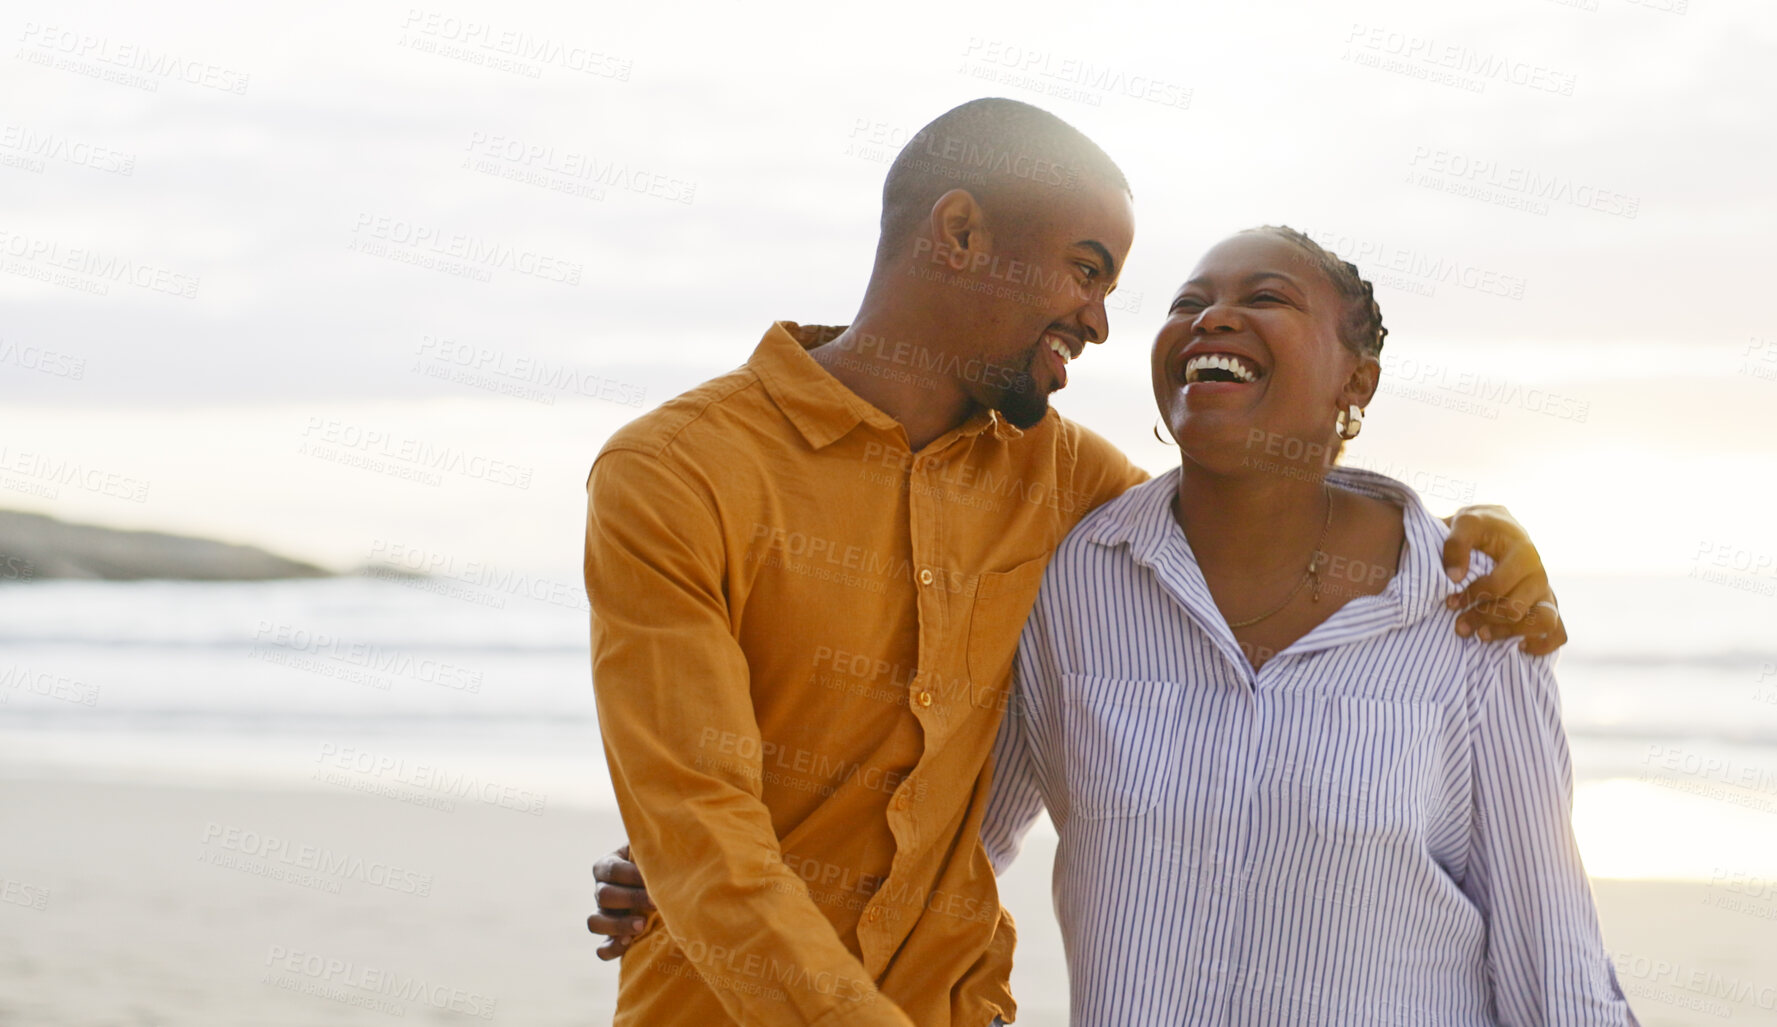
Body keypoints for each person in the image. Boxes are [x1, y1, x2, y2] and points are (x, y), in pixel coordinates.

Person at [584, 98, 1564, 1027]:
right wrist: (678, 858)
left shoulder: (1071, 484)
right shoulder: (676, 475)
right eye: (1085, 270)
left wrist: (1465, 535)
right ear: (959, 234)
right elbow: (706, 834)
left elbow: (1254, 512)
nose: (1099, 320)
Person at [974, 226, 1637, 1025]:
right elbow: (954, 850)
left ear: (1356, 380)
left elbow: (1551, 962)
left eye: (1263, 298)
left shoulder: (1468, 607)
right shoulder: (1075, 578)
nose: (1211, 318)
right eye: (1189, 302)